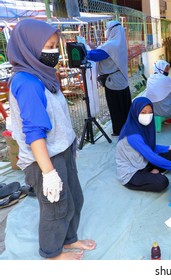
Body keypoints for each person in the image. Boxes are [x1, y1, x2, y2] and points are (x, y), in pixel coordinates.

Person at [7, 19, 96, 260]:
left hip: (61, 151)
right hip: (44, 157)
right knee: (56, 205)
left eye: (55, 45)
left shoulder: (43, 75)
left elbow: (58, 117)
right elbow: (34, 132)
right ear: (30, 47)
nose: (54, 51)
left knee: (74, 198)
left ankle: (69, 239)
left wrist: (70, 148)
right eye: (47, 46)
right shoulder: (26, 83)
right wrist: (48, 173)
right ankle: (52, 253)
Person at [116, 97, 171, 192]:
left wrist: (170, 147)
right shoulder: (133, 135)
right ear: (135, 112)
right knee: (162, 182)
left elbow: (150, 146)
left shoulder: (141, 126)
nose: (147, 116)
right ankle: (151, 174)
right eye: (143, 112)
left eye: (150, 112)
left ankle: (152, 171)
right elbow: (151, 155)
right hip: (132, 172)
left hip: (143, 162)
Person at [87, 20, 132, 137]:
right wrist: (94, 48)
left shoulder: (111, 44)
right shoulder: (119, 43)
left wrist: (83, 50)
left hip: (113, 82)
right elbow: (105, 53)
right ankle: (127, 128)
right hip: (120, 79)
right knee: (124, 106)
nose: (106, 31)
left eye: (107, 29)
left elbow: (94, 56)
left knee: (115, 107)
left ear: (112, 30)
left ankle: (119, 130)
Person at [144, 60, 171, 126]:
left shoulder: (150, 78)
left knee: (167, 96)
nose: (168, 71)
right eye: (166, 69)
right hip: (166, 111)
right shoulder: (166, 79)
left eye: (168, 69)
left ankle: (163, 120)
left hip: (153, 110)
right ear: (160, 69)